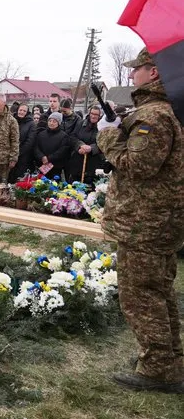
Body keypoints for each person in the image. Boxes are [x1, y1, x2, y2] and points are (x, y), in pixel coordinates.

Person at [97, 48, 184, 393]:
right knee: (159, 291)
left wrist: (107, 134)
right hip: (159, 219)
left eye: (139, 69)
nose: (133, 74)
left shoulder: (156, 116)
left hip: (145, 222)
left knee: (141, 296)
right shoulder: (168, 110)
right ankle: (170, 360)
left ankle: (159, 370)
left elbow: (138, 166)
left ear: (155, 72)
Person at [65, 106, 106, 184]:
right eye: (92, 113)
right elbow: (72, 137)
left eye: (96, 114)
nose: (93, 116)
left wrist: (91, 148)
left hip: (94, 162)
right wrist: (80, 146)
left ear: (100, 116)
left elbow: (104, 143)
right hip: (78, 161)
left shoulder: (103, 127)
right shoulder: (80, 124)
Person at [33, 112, 70, 179]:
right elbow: (36, 148)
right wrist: (42, 157)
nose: (51, 123)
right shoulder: (41, 134)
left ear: (58, 123)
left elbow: (62, 151)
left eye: (54, 121)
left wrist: (49, 158)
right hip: (42, 165)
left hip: (56, 167)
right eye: (50, 121)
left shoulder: (64, 136)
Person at [10, 104, 37, 181]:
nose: (22, 112)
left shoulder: (31, 124)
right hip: (10, 155)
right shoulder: (12, 120)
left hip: (23, 156)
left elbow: (30, 141)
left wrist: (18, 152)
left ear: (27, 112)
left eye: (24, 111)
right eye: (20, 110)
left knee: (20, 179)